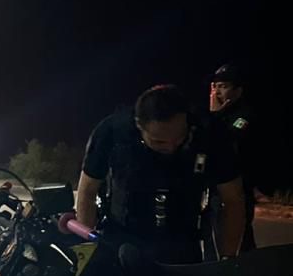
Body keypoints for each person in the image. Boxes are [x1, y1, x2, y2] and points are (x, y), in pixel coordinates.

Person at [76, 84, 246, 264]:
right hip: (122, 239)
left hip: (182, 240)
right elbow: (87, 191)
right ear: (139, 126)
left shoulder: (209, 133)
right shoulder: (112, 133)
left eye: (179, 139)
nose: (170, 147)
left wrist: (228, 258)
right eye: (159, 142)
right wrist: (86, 252)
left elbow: (233, 199)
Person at [203, 63, 263, 259]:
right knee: (215, 235)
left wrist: (215, 115)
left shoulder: (244, 115)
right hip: (217, 185)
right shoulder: (215, 115)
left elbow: (227, 140)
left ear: (238, 90)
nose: (218, 92)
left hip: (239, 185)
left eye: (224, 86)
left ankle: (245, 269)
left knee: (239, 233)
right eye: (216, 86)